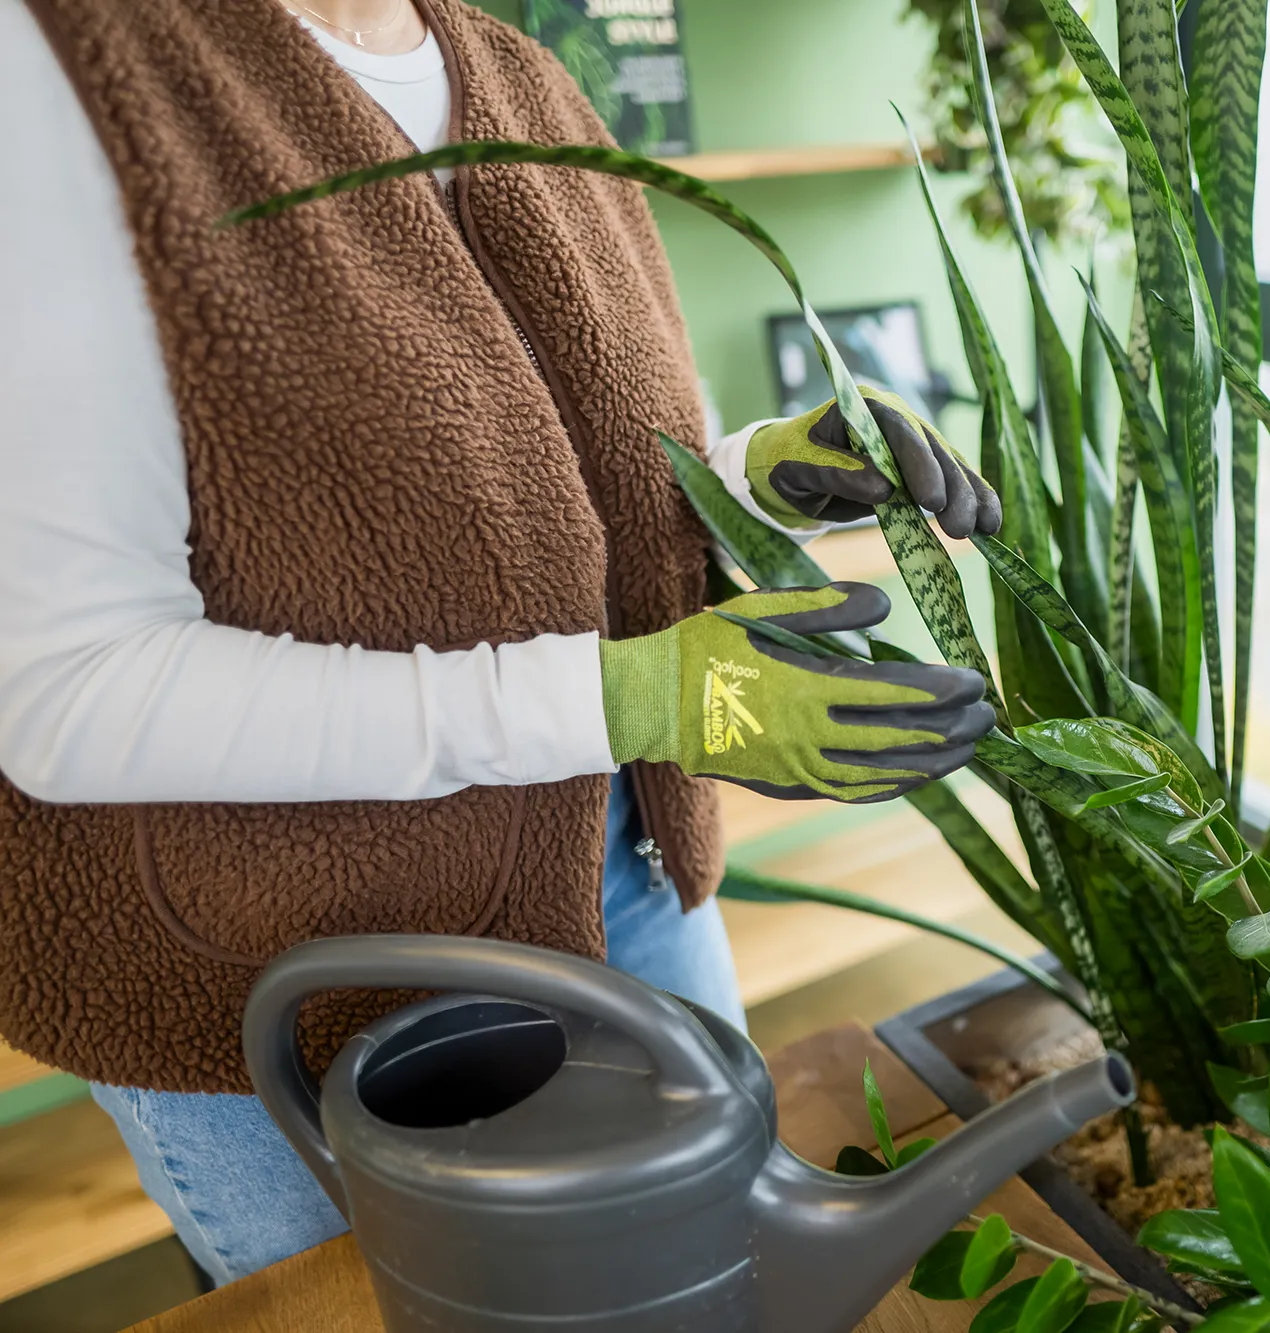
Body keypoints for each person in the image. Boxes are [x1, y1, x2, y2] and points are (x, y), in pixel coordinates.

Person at [0, 0, 999, 1285]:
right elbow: (72, 698)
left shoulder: (525, 77)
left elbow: (577, 477)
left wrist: (756, 475)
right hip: (293, 965)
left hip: (623, 863)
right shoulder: (67, 64)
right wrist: (634, 698)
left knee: (699, 1283)